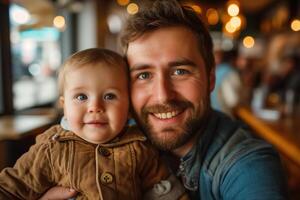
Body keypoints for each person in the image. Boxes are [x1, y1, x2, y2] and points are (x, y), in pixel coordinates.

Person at [41, 0, 287, 199]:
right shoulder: (101, 134)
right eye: (144, 75)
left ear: (211, 78)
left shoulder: (245, 165)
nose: (163, 95)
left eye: (180, 71)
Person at [0, 48, 189, 200]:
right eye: (81, 97)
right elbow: (10, 189)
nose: (95, 107)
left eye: (109, 96)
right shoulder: (51, 149)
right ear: (64, 106)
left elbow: (165, 191)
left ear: (128, 106)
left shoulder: (140, 146)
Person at [211, 48, 242, 117]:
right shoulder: (230, 73)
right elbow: (232, 101)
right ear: (234, 59)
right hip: (223, 116)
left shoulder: (216, 72)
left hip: (212, 115)